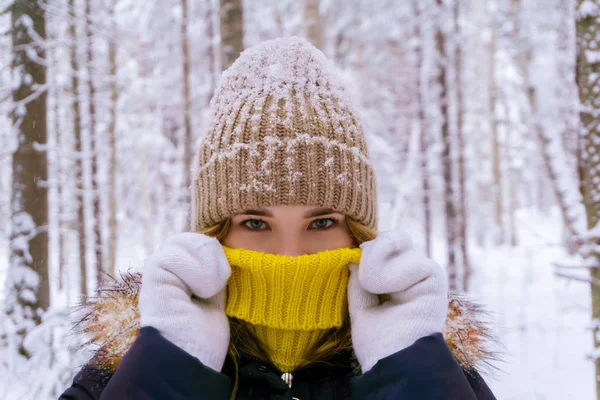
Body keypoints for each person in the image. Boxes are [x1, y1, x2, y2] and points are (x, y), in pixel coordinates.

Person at [59, 37, 497, 400]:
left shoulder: (425, 362)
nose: (290, 256)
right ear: (214, 232)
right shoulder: (132, 366)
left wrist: (410, 372)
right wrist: (170, 370)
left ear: (358, 231)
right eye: (255, 223)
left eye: (321, 223)